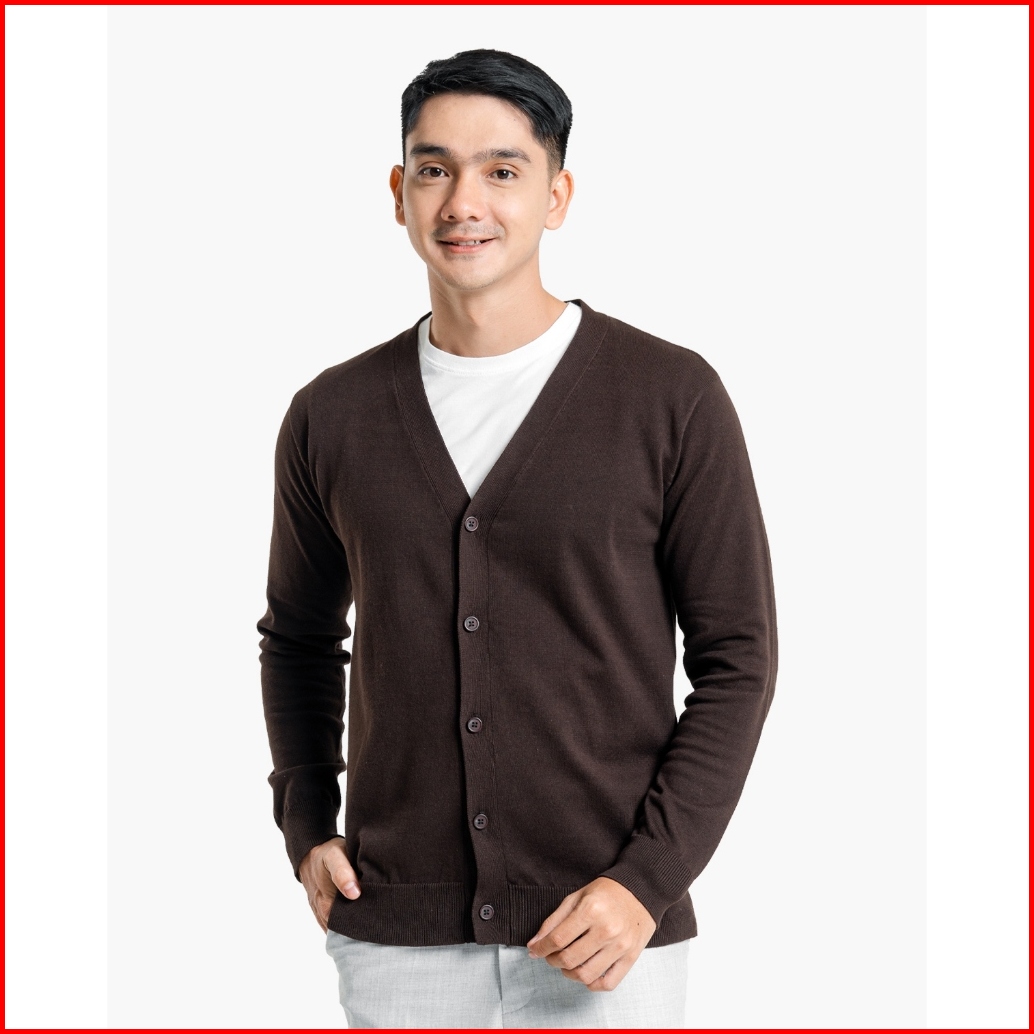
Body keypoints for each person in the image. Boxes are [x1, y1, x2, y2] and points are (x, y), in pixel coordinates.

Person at [257, 47, 778, 1029]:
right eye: (434, 168)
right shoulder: (332, 415)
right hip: (398, 936)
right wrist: (305, 823)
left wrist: (645, 881)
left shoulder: (670, 398)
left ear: (556, 196)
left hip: (606, 934)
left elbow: (738, 661)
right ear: (398, 193)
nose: (464, 202)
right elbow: (297, 640)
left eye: (502, 170)